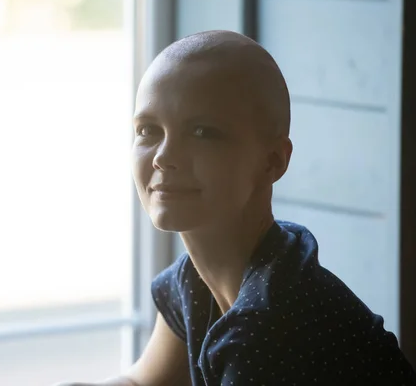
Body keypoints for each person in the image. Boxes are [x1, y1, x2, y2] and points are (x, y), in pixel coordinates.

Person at [54, 30, 416, 385]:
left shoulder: (268, 330)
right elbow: (143, 381)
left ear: (273, 160)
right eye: (149, 130)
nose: (164, 157)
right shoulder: (201, 277)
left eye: (202, 132)